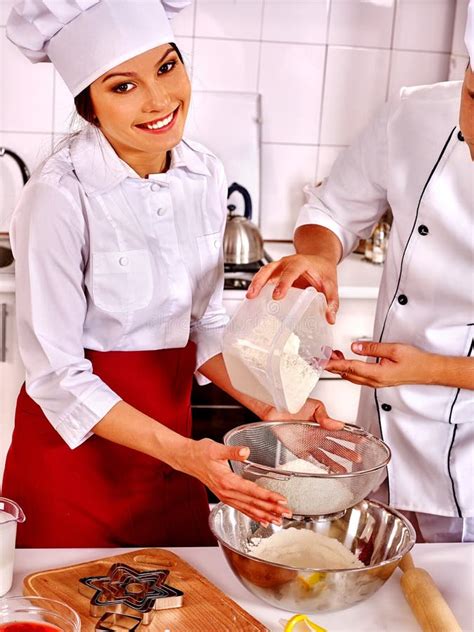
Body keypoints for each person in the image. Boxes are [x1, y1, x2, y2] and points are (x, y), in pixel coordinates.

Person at [2, 0, 342, 547]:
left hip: (172, 464)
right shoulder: (56, 199)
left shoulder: (203, 174)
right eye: (122, 86)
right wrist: (186, 455)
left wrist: (279, 408)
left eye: (166, 67)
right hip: (75, 467)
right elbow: (57, 378)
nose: (160, 100)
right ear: (89, 105)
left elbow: (202, 326)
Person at [247, 4, 474, 543]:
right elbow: (330, 211)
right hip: (387, 441)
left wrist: (430, 369)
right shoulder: (415, 115)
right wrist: (321, 256)